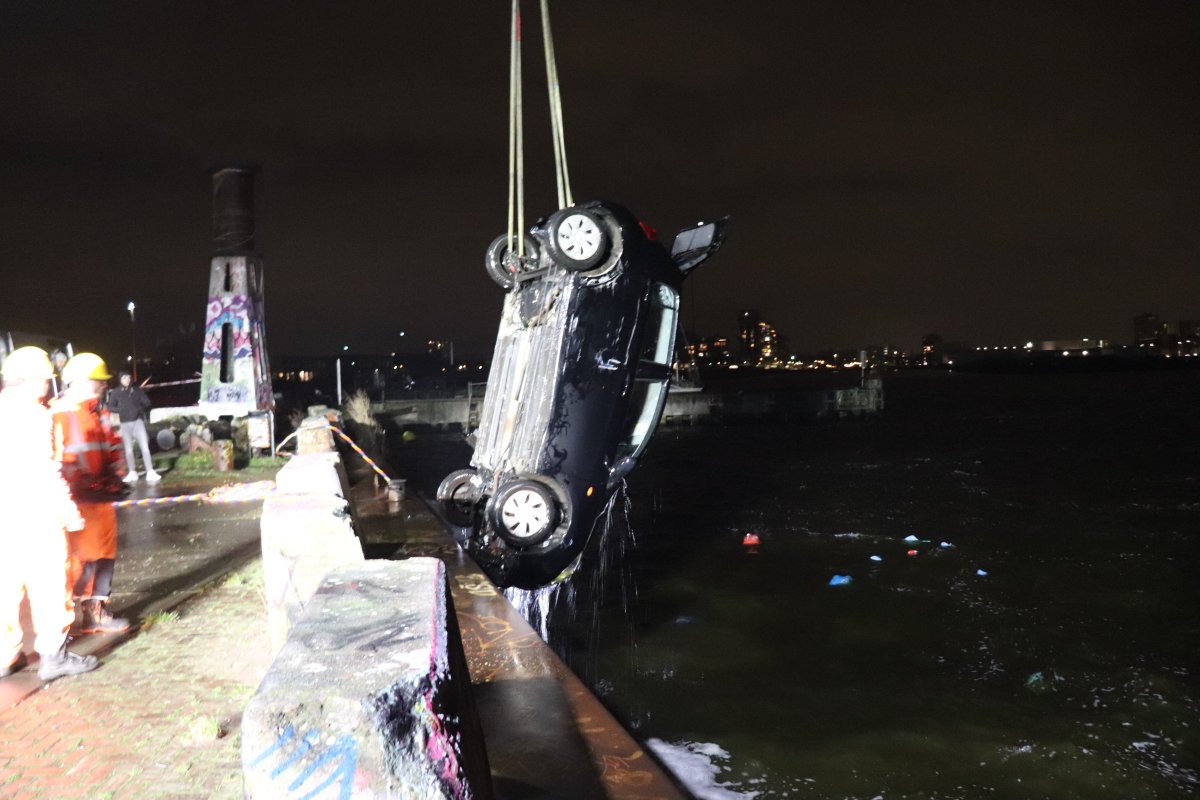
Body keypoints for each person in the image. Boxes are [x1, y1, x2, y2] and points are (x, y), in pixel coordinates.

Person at [0, 347, 100, 682]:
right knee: (51, 586)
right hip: (37, 516)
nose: (47, 386)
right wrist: (70, 513)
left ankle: (4, 656)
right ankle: (54, 656)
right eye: (44, 380)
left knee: (5, 589)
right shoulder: (36, 416)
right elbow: (46, 471)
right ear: (31, 381)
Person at [51, 353, 130, 634]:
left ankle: (96, 610)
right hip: (77, 500)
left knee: (103, 555)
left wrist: (117, 473)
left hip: (101, 499)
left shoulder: (99, 411)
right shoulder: (58, 414)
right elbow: (51, 460)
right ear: (83, 381)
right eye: (99, 381)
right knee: (82, 559)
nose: (104, 386)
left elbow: (113, 445)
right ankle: (80, 616)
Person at [107, 371, 161, 483]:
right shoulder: (116, 392)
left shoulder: (137, 390)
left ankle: (150, 471)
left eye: (128, 378)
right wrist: (120, 410)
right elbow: (110, 406)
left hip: (138, 422)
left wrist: (139, 408)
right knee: (128, 450)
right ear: (120, 380)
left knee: (145, 447)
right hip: (125, 424)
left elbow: (147, 402)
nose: (126, 380)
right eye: (124, 378)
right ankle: (132, 472)